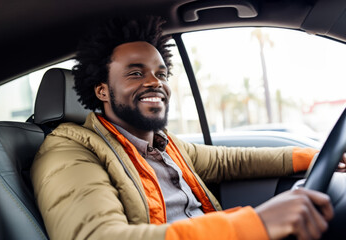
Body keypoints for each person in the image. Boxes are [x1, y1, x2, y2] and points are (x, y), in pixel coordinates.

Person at [31, 16, 342, 240]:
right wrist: (254, 224)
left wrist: (311, 159)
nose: (155, 82)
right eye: (136, 73)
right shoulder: (69, 151)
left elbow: (229, 161)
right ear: (101, 91)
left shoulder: (166, 146)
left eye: (161, 73)